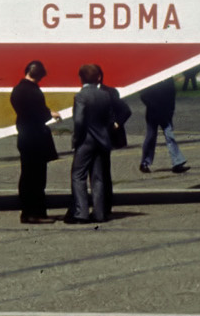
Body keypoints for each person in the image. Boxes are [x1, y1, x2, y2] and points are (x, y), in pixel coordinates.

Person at [68, 63, 131, 224]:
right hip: (102, 140)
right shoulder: (105, 95)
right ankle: (99, 212)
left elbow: (79, 120)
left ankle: (81, 212)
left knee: (78, 175)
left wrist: (76, 139)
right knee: (98, 178)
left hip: (86, 140)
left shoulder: (81, 96)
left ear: (81, 78)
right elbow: (110, 118)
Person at [10, 60, 60, 224]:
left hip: (24, 136)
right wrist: (50, 113)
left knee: (27, 176)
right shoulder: (34, 92)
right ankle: (34, 213)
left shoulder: (17, 90)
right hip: (36, 138)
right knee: (37, 178)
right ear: (38, 76)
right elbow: (40, 113)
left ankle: (29, 211)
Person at [139, 77, 190, 174]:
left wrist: (170, 110)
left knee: (169, 135)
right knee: (151, 137)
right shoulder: (151, 78)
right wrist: (152, 105)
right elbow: (143, 95)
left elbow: (172, 95)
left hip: (164, 111)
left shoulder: (168, 80)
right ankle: (144, 162)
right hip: (153, 111)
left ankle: (177, 162)